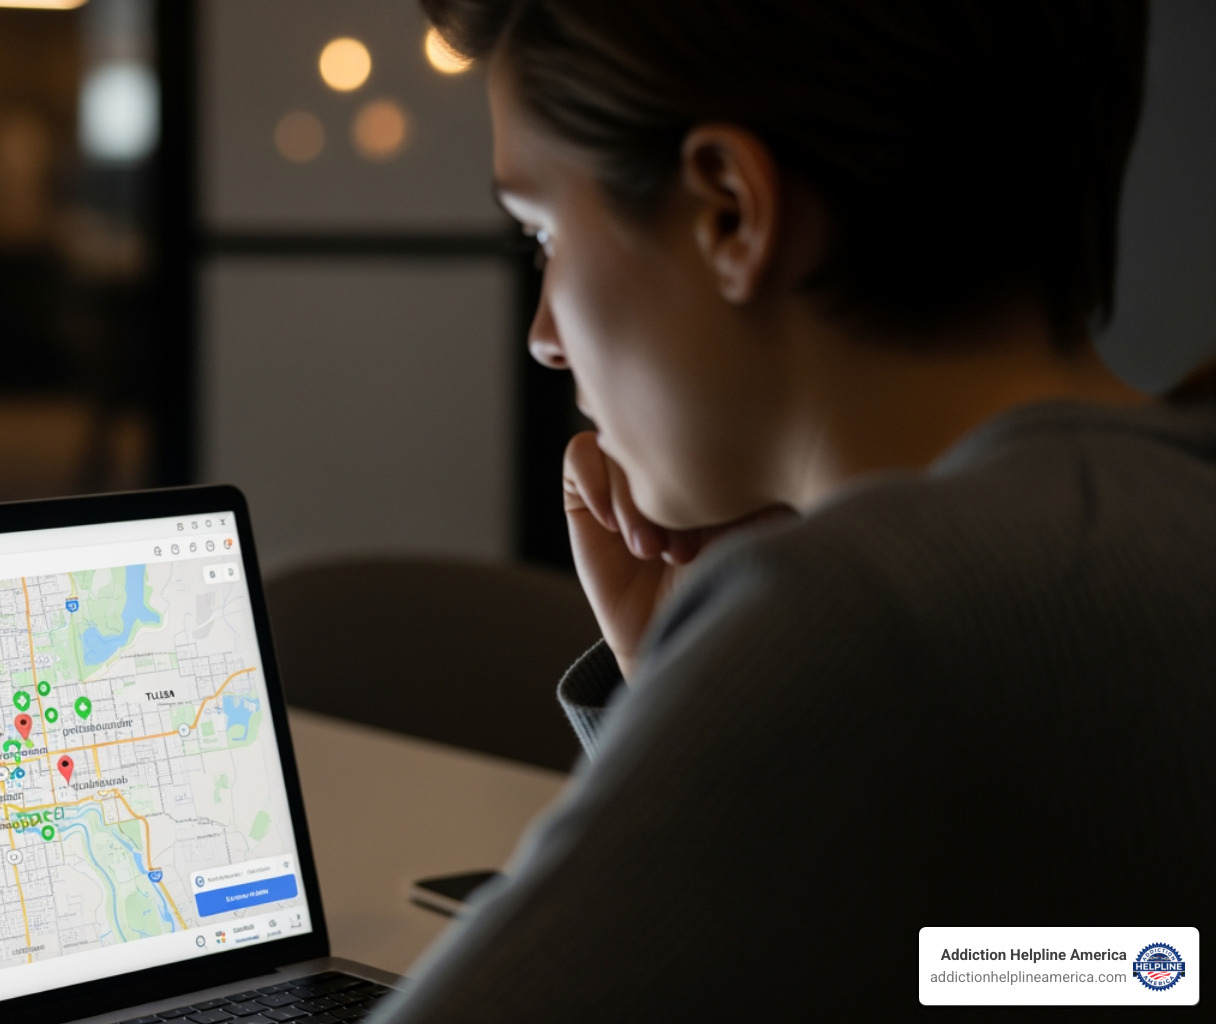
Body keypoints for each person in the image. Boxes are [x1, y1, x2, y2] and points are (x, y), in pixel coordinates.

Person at [365, 0, 1216, 1018]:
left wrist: (754, 662)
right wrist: (683, 698)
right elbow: (1102, 970)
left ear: (730, 211)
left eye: (542, 232)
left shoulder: (873, 618)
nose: (546, 333)